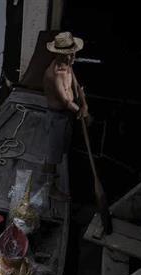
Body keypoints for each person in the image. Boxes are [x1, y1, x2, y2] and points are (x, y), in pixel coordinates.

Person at [43, 31, 89, 200]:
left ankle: (49, 174)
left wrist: (84, 104)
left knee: (60, 149)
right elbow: (65, 101)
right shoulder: (54, 73)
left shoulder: (68, 65)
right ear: (58, 54)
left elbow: (76, 86)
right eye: (68, 55)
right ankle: (51, 188)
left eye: (73, 54)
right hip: (56, 117)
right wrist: (81, 112)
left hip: (67, 115)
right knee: (53, 154)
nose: (72, 58)